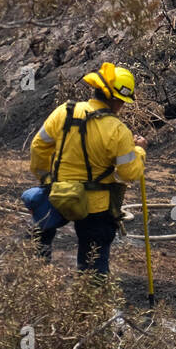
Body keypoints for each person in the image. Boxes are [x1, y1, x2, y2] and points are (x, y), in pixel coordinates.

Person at [26, 63, 147, 274]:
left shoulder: (64, 111)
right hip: (97, 208)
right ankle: (90, 302)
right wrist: (139, 152)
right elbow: (128, 173)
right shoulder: (118, 131)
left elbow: (38, 147)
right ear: (116, 100)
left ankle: (34, 284)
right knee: (93, 267)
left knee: (38, 242)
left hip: (58, 194)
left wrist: (45, 179)